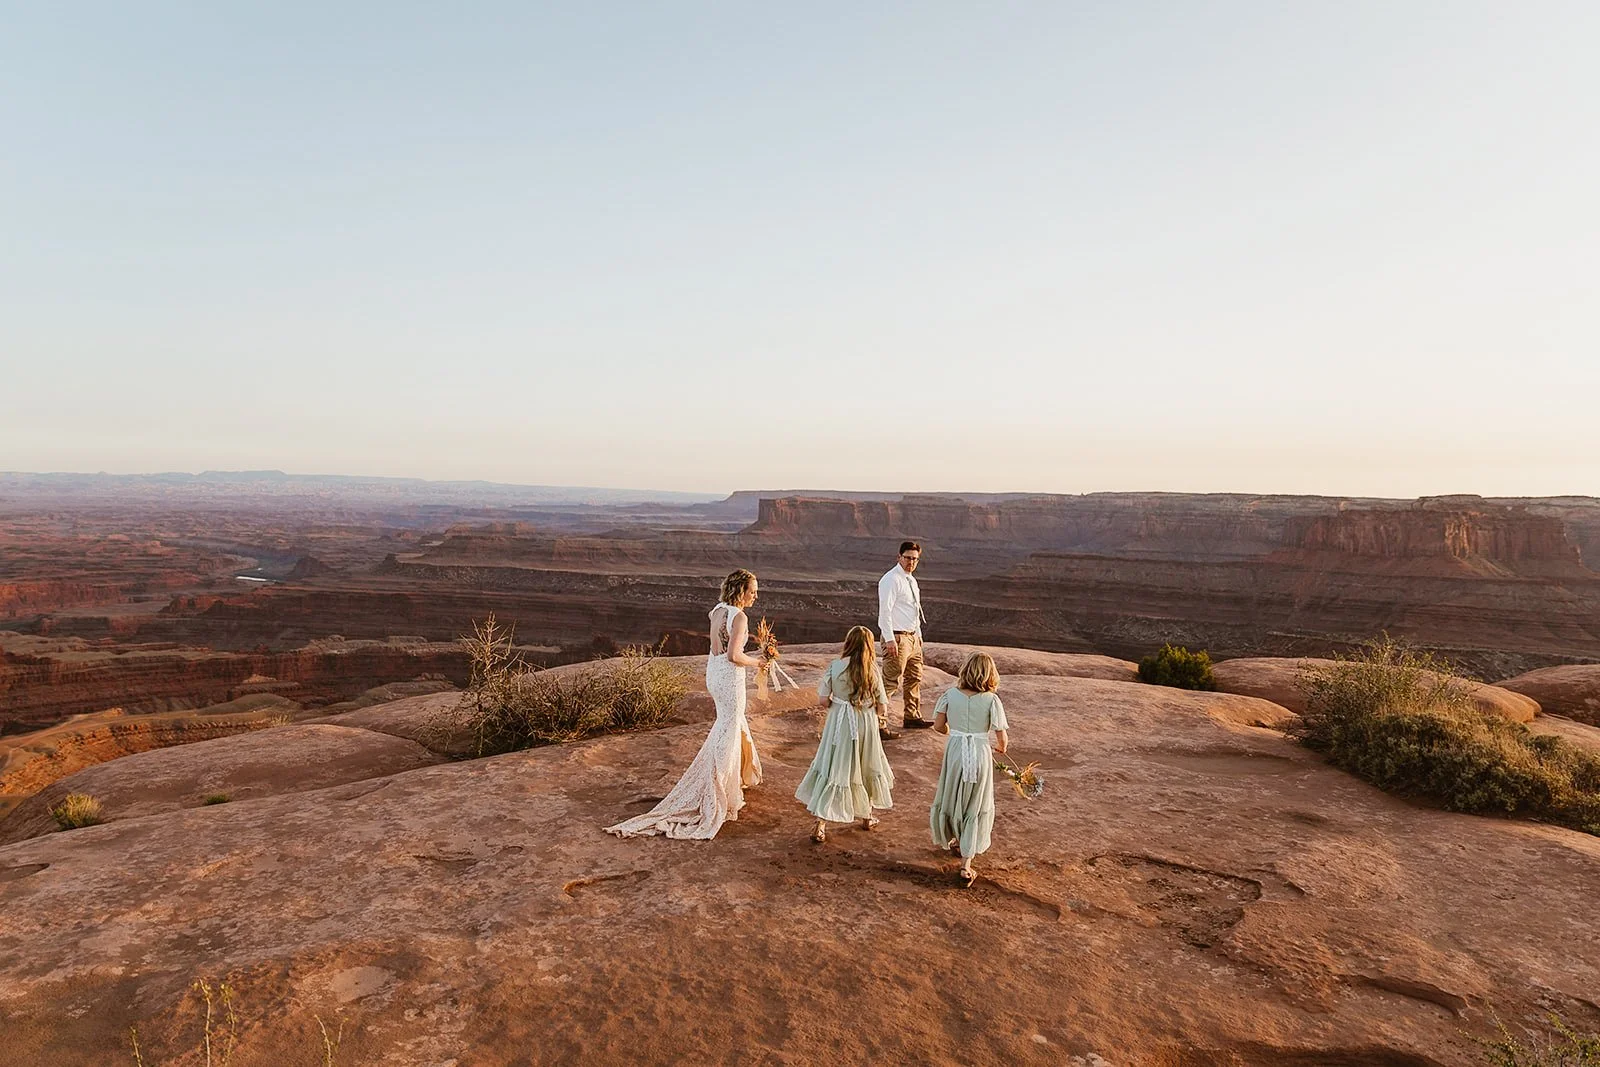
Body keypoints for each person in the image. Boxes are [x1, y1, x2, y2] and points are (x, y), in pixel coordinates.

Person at [604, 569, 764, 839]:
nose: (755, 596)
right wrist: (759, 662)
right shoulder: (740, 617)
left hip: (714, 675)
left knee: (727, 724)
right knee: (728, 726)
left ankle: (734, 778)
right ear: (741, 591)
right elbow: (735, 656)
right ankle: (718, 786)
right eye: (752, 591)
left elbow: (719, 648)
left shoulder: (716, 611)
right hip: (729, 678)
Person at [794, 625, 895, 843]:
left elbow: (823, 700)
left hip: (839, 724)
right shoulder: (872, 669)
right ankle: (867, 816)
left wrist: (837, 705)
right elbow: (882, 706)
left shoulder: (835, 666)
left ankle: (821, 824)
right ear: (869, 647)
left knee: (834, 767)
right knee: (866, 765)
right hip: (865, 724)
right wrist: (871, 713)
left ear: (848, 643)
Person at [928, 652, 1009, 888]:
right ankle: (966, 865)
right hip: (980, 753)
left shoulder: (949, 695)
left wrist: (953, 733)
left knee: (953, 794)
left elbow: (938, 726)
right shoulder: (992, 700)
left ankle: (954, 839)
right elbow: (1002, 738)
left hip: (955, 752)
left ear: (965, 670)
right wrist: (1000, 748)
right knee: (976, 802)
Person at [878, 540, 931, 739]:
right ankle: (878, 724)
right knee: (890, 681)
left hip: (912, 637)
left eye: (915, 559)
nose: (911, 562)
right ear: (899, 557)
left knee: (914, 678)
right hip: (898, 637)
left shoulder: (911, 580)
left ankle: (912, 716)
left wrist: (919, 636)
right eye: (908, 558)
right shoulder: (891, 579)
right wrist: (889, 639)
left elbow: (914, 610)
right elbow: (885, 611)